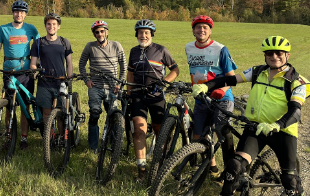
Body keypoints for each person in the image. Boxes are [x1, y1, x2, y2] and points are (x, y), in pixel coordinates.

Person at [193, 35, 310, 196]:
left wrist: (278, 125)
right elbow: (231, 79)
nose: (274, 56)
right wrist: (208, 86)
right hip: (256, 127)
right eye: (269, 53)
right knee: (234, 164)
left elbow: (296, 111)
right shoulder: (258, 72)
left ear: (287, 56)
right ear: (265, 55)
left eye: (279, 53)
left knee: (290, 179)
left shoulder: (297, 81)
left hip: (282, 132)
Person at [127, 19, 179, 181]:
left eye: (147, 33)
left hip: (156, 95)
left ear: (152, 35)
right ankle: (141, 169)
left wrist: (164, 83)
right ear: (137, 34)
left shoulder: (161, 50)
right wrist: (129, 92)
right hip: (138, 95)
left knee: (159, 131)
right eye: (141, 33)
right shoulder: (133, 51)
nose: (143, 36)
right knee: (139, 130)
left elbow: (175, 69)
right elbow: (130, 72)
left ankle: (161, 163)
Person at [185, 15, 237, 177]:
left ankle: (231, 170)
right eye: (198, 27)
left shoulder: (220, 49)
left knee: (222, 133)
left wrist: (223, 89)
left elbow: (231, 76)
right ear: (193, 30)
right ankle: (212, 166)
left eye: (205, 27)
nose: (201, 30)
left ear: (210, 31)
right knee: (199, 135)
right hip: (201, 99)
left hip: (221, 97)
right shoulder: (188, 47)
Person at [0, 0, 40, 150]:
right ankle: (10, 137)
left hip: (26, 72)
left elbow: (38, 47)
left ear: (26, 14)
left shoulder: (31, 29)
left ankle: (23, 138)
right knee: (10, 106)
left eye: (22, 12)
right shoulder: (3, 29)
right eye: (16, 11)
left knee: (25, 107)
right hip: (8, 72)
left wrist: (39, 64)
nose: (19, 14)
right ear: (12, 12)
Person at [78, 20, 126, 153]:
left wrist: (119, 83)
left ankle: (114, 145)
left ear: (107, 32)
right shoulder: (90, 47)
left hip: (113, 87)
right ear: (94, 34)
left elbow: (124, 66)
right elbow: (82, 64)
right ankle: (93, 147)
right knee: (94, 114)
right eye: (97, 32)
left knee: (114, 115)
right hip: (96, 87)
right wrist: (86, 80)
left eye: (102, 31)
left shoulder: (116, 46)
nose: (100, 34)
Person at [30, 12, 73, 128]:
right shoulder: (38, 43)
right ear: (45, 26)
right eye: (48, 24)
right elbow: (33, 63)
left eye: (54, 24)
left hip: (60, 82)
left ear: (58, 26)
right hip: (44, 83)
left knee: (60, 113)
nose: (51, 26)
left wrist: (69, 76)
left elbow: (69, 62)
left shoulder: (65, 42)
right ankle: (48, 139)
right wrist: (35, 72)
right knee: (46, 113)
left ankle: (59, 138)